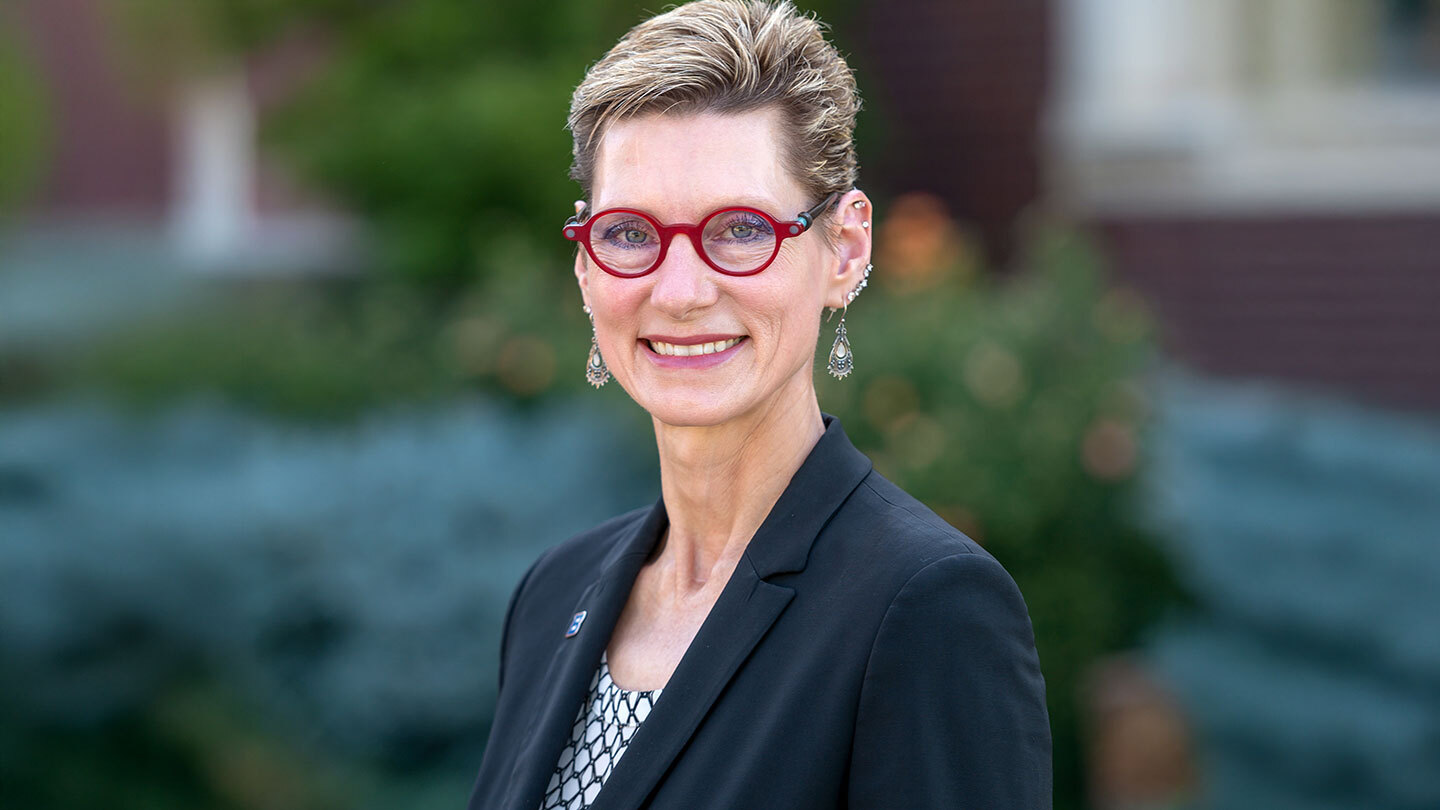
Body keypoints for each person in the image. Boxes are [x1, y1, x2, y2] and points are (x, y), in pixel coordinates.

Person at [467, 1, 1051, 807]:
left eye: (740, 228)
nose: (679, 292)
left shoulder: (926, 610)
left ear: (844, 250)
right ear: (586, 269)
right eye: (631, 233)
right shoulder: (552, 594)